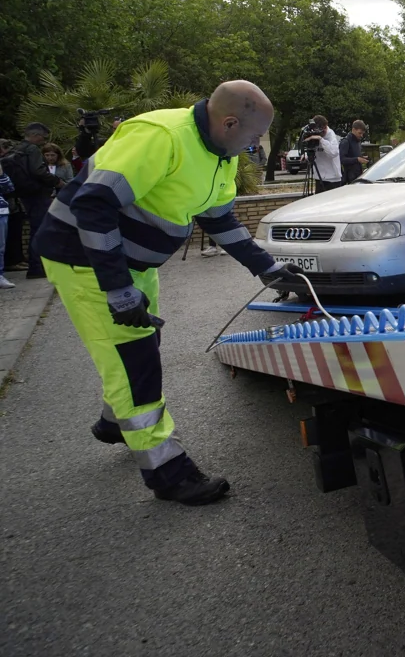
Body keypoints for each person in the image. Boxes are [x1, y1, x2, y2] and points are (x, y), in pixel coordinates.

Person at [31, 81, 305, 505]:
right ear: (229, 122)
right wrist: (119, 290)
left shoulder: (220, 153)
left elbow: (219, 219)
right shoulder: (162, 137)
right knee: (135, 363)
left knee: (144, 343)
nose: (254, 148)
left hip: (133, 266)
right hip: (84, 260)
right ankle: (168, 474)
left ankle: (114, 423)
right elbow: (93, 205)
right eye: (252, 138)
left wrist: (266, 268)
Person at [8, 122, 60, 278]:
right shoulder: (31, 150)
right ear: (35, 135)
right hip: (37, 195)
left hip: (23, 194)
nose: (43, 141)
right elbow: (38, 171)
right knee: (39, 230)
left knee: (34, 230)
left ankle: (35, 265)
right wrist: (56, 181)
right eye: (42, 138)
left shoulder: (16, 149)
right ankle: (37, 267)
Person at [0, 139, 25, 271]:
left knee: (13, 234)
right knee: (10, 235)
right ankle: (13, 261)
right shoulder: (7, 162)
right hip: (8, 203)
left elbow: (8, 186)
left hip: (9, 204)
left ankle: (17, 259)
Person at [303, 115, 342, 192]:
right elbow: (312, 151)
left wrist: (321, 139)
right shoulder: (312, 133)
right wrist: (305, 155)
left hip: (332, 179)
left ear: (325, 127)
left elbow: (333, 153)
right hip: (319, 177)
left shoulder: (331, 135)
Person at [339, 120, 369, 185]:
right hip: (349, 178)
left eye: (362, 133)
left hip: (358, 176)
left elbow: (353, 154)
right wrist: (357, 159)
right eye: (359, 133)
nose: (361, 135)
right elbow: (342, 159)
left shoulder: (358, 142)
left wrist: (362, 157)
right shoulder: (345, 142)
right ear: (353, 130)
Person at [0, 156, 14, 288]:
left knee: (1, 246)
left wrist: (1, 174)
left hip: (1, 211)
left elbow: (9, 188)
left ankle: (0, 275)